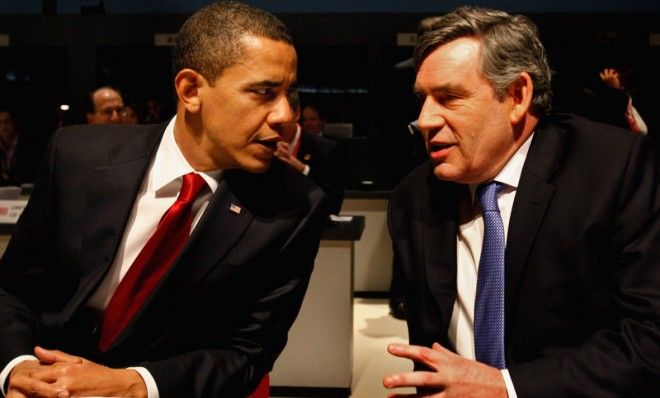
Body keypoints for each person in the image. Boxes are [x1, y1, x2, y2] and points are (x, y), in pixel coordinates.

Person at [0, 2, 329, 398]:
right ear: (191, 90)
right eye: (263, 92)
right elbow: (13, 291)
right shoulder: (77, 157)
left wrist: (135, 385)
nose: (284, 116)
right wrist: (20, 368)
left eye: (288, 93)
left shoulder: (293, 206)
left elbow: (248, 354)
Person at [384, 6, 659, 397]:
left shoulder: (615, 171)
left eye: (448, 98)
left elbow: (649, 341)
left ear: (517, 95)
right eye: (423, 99)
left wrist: (507, 388)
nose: (425, 119)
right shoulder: (414, 198)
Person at [275, 91, 344, 214]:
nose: (275, 120)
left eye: (281, 113)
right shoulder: (264, 145)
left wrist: (303, 170)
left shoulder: (326, 148)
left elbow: (333, 202)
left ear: (297, 114)